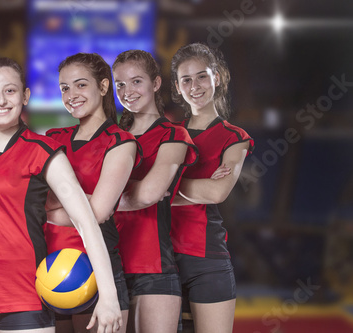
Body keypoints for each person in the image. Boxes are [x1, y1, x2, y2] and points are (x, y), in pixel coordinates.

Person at [0, 58, 123, 333]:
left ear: (25, 96)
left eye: (10, 90)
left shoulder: (44, 151)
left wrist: (109, 297)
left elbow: (87, 222)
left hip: (25, 296)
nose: (0, 100)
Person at [43, 53, 140, 333]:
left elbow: (96, 214)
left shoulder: (120, 142)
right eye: (64, 88)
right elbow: (30, 202)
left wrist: (49, 205)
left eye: (80, 85)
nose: (71, 94)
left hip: (97, 270)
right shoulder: (52, 138)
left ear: (103, 86)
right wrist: (81, 200)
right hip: (49, 270)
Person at [169, 43, 254, 333]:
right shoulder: (166, 134)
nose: (195, 86)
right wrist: (196, 188)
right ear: (177, 88)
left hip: (207, 258)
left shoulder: (235, 137)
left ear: (216, 77)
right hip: (159, 256)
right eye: (186, 80)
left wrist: (164, 189)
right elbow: (138, 192)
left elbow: (217, 193)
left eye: (202, 76)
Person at [111, 50, 197, 333]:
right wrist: (133, 192)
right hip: (106, 264)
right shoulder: (111, 137)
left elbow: (149, 193)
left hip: (154, 267)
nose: (127, 91)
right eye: (120, 84)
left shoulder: (173, 135)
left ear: (156, 83)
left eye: (136, 81)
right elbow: (142, 192)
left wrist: (98, 198)